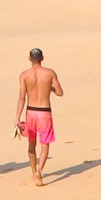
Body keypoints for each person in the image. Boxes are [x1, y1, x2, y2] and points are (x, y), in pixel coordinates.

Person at [13, 47, 64, 187]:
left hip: (31, 112)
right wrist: (51, 88)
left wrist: (17, 117)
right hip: (45, 112)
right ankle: (39, 171)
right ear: (42, 58)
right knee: (45, 144)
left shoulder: (24, 75)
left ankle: (33, 170)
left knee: (31, 144)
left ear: (29, 59)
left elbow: (22, 97)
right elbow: (60, 93)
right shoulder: (50, 73)